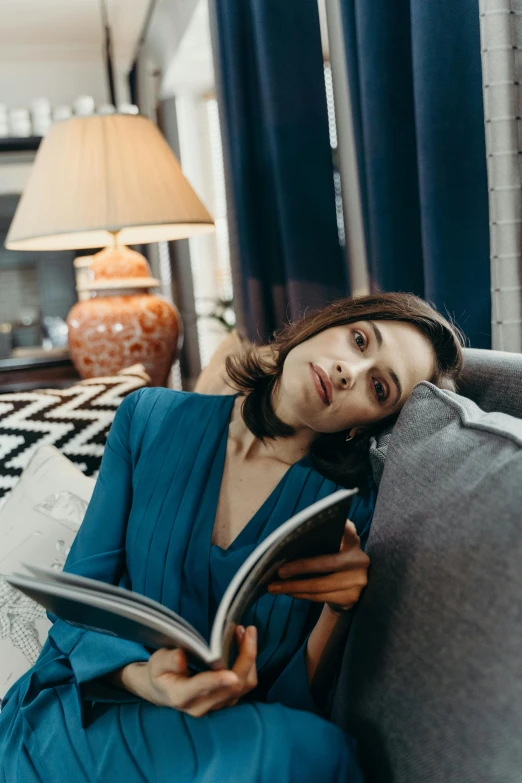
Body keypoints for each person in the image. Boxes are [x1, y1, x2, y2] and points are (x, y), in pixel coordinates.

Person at [0, 293, 463, 783]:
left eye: (378, 387)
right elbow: (75, 607)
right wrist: (148, 680)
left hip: (223, 739)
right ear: (324, 325)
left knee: (307, 748)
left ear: (367, 426)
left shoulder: (350, 511)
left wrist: (340, 610)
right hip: (85, 709)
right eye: (359, 339)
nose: (350, 370)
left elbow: (294, 699)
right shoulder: (148, 416)